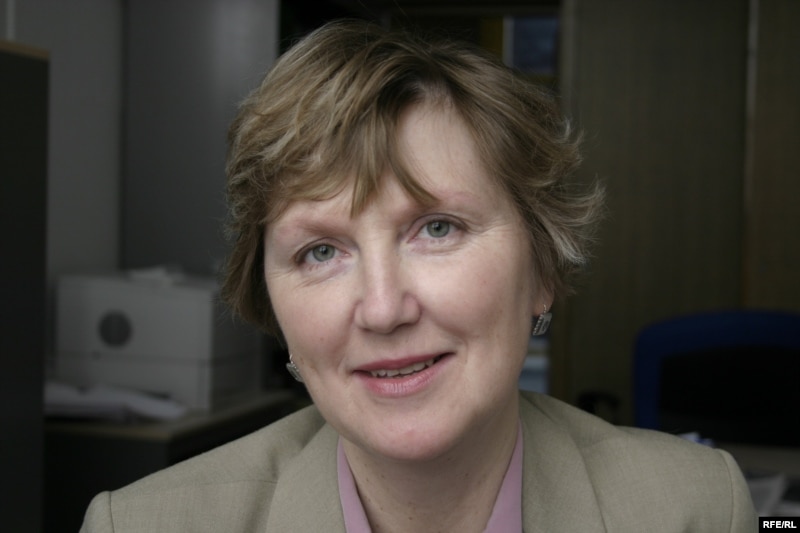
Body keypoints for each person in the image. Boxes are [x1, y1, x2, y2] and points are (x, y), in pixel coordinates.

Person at [81, 19, 755, 532]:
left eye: (437, 229)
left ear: (543, 267)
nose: (383, 308)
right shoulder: (138, 526)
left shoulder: (696, 509)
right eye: (321, 251)